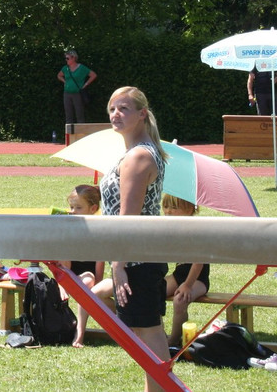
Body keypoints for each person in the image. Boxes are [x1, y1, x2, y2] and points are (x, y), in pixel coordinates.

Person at [99, 86, 169, 392]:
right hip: (139, 255)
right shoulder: (137, 152)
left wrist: (119, 265)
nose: (116, 114)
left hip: (136, 259)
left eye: (124, 108)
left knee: (147, 332)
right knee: (146, 332)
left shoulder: (139, 156)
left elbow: (128, 218)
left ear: (142, 114)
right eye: (112, 108)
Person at [58, 184, 113, 348]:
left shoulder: (98, 231)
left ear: (93, 208)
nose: (73, 211)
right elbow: (63, 262)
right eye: (71, 207)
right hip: (67, 273)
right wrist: (62, 285)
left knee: (88, 282)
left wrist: (98, 284)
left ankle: (80, 331)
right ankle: (78, 332)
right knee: (86, 285)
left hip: (88, 275)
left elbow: (99, 264)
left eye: (78, 207)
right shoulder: (69, 228)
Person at [161, 195, 210, 350]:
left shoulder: (196, 231)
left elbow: (199, 262)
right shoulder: (173, 229)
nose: (168, 211)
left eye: (174, 207)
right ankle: (158, 335)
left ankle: (174, 340)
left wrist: (188, 285)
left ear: (189, 209)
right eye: (166, 207)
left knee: (180, 300)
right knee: (153, 292)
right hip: (179, 276)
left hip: (197, 279)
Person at [58, 50, 96, 125]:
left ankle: (81, 131)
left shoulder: (82, 68)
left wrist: (86, 84)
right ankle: (69, 132)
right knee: (68, 115)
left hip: (77, 93)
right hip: (67, 93)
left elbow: (93, 75)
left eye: (68, 58)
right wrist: (64, 81)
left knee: (79, 114)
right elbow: (59, 75)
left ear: (74, 58)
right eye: (65, 58)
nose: (66, 60)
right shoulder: (65, 68)